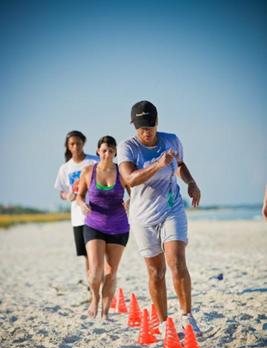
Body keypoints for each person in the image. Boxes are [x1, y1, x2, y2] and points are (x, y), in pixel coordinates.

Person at [118, 100, 202, 335]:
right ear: (134, 126)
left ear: (157, 122)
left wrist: (191, 182)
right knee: (156, 272)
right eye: (141, 127)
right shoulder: (128, 147)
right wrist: (157, 164)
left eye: (150, 127)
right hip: (142, 217)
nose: (146, 132)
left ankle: (188, 318)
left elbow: (180, 165)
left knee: (177, 263)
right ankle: (165, 324)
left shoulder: (171, 140)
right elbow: (130, 179)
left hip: (171, 209)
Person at [76, 136, 129, 319]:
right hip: (94, 224)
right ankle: (94, 298)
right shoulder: (88, 171)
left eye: (111, 150)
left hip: (119, 226)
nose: (107, 154)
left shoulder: (122, 172)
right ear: (98, 151)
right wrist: (82, 204)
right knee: (96, 269)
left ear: (115, 153)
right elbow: (79, 195)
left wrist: (130, 203)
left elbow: (134, 193)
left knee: (111, 272)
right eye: (104, 150)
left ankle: (105, 311)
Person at [54, 130, 98, 295]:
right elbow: (61, 192)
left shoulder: (93, 161)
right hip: (78, 217)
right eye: (72, 144)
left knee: (98, 253)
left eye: (78, 143)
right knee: (87, 255)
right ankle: (92, 287)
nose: (75, 147)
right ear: (67, 146)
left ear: (83, 143)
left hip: (97, 213)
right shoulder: (65, 168)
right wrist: (67, 195)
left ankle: (100, 283)